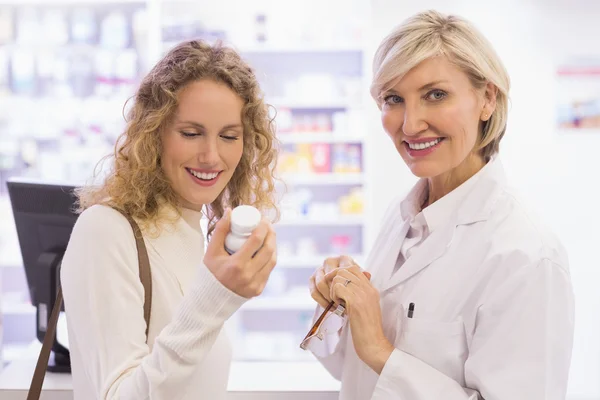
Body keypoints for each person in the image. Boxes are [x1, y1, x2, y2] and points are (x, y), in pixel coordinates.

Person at [306, 10, 574, 400]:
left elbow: (377, 357)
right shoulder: (399, 218)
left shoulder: (527, 256)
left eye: (436, 95)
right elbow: (354, 369)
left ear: (487, 98)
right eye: (393, 99)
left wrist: (382, 352)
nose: (411, 124)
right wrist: (342, 304)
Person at [60, 40, 279, 399]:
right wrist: (215, 297)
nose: (211, 155)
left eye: (229, 136)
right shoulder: (104, 231)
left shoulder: (191, 231)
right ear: (154, 132)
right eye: (191, 134)